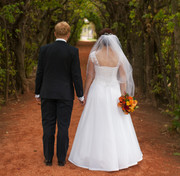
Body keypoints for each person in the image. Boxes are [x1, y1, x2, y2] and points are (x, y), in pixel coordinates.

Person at [68, 29, 143, 171]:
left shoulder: (94, 56)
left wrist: (85, 94)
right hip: (114, 92)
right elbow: (123, 79)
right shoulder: (119, 57)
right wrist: (123, 97)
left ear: (100, 41)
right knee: (117, 123)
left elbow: (90, 77)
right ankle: (119, 157)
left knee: (96, 122)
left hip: (98, 91)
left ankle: (94, 156)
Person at [35, 21, 84, 166]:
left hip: (47, 92)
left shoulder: (45, 49)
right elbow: (76, 75)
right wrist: (80, 95)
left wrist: (37, 92)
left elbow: (40, 73)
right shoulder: (72, 51)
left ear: (55, 33)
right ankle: (61, 159)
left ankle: (48, 158)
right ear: (68, 34)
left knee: (48, 125)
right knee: (63, 126)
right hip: (65, 94)